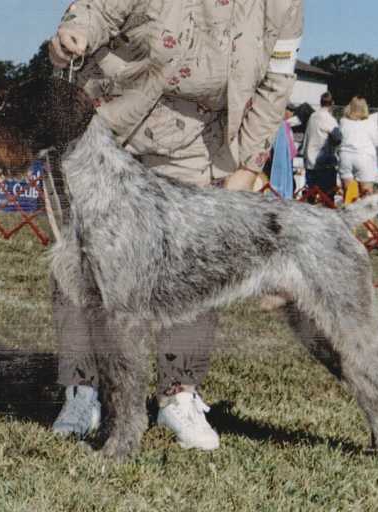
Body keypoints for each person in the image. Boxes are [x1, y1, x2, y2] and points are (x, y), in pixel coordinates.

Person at [48, 0, 303, 450]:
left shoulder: (285, 6)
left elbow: (276, 82)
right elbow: (97, 9)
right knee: (82, 269)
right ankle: (84, 389)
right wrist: (76, 30)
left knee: (192, 267)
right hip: (106, 122)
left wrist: (248, 161)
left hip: (195, 140)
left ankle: (178, 394)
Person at [303, 91, 341, 203]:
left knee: (311, 196)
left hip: (310, 162)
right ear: (332, 103)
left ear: (320, 103)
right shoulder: (330, 119)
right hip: (324, 164)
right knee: (327, 198)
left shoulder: (312, 116)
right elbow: (338, 138)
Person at [338, 95, 377, 197]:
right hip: (364, 156)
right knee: (366, 192)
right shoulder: (370, 122)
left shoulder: (343, 121)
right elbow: (375, 139)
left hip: (345, 156)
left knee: (348, 194)